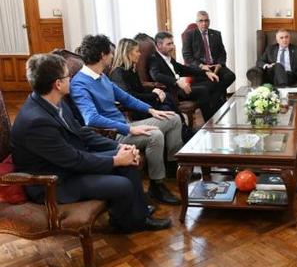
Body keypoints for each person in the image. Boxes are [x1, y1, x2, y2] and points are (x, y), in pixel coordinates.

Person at [11, 54, 171, 232]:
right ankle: (129, 222)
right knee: (122, 184)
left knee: (130, 162)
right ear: (57, 84)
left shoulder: (54, 101)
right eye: (67, 76)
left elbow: (82, 133)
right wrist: (116, 160)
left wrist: (118, 147)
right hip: (54, 182)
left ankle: (135, 216)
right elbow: (74, 161)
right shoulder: (36, 122)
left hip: (69, 164)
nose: (71, 79)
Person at [70, 34, 182, 205]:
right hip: (111, 134)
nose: (113, 56)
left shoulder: (102, 76)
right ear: (103, 55)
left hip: (125, 125)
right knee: (155, 134)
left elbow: (126, 98)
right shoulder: (80, 83)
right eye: (110, 52)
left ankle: (173, 169)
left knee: (173, 118)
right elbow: (91, 119)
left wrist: (151, 110)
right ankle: (157, 185)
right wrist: (128, 129)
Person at [109, 38, 193, 142]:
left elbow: (140, 90)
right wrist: (154, 95)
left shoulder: (131, 69)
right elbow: (130, 97)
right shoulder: (118, 73)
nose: (139, 54)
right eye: (137, 51)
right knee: (168, 110)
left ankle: (184, 133)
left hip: (143, 104)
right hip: (136, 110)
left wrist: (156, 91)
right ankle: (184, 135)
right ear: (128, 53)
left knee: (167, 98)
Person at [149, 31, 221, 121]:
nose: (172, 47)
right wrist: (176, 82)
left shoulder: (168, 57)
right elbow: (156, 75)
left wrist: (205, 72)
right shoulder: (154, 59)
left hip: (180, 88)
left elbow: (184, 69)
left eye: (172, 43)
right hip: (172, 92)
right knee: (203, 90)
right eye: (168, 44)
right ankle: (210, 123)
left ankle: (217, 117)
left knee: (212, 83)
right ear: (159, 45)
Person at [182, 11, 236, 100]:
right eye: (201, 21)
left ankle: (215, 96)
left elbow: (222, 52)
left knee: (230, 76)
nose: (204, 23)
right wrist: (202, 66)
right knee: (211, 81)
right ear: (197, 22)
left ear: (209, 21)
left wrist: (219, 64)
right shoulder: (189, 35)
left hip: (216, 66)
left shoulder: (216, 34)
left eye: (206, 21)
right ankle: (217, 99)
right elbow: (187, 56)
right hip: (200, 68)